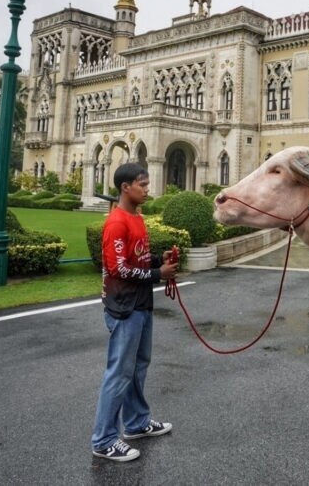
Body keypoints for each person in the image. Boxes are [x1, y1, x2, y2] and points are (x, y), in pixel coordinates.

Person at [91, 163, 179, 462]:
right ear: (125, 187)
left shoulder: (136, 218)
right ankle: (103, 440)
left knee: (138, 367)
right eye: (142, 184)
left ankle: (137, 422)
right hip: (124, 306)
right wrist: (158, 274)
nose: (147, 189)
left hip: (141, 304)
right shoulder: (117, 222)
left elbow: (136, 257)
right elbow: (119, 268)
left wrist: (158, 260)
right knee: (119, 373)